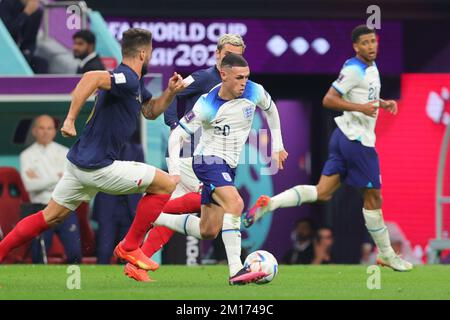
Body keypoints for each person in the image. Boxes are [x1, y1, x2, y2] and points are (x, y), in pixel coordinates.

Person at [0, 28, 186, 273]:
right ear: (143, 53)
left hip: (78, 165)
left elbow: (150, 111)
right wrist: (69, 120)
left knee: (50, 216)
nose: (151, 55)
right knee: (165, 184)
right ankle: (130, 246)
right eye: (150, 51)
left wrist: (171, 93)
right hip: (98, 166)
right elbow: (91, 77)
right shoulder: (126, 77)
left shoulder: (135, 83)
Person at [243, 25, 413, 272]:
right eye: (364, 43)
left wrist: (381, 103)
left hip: (343, 136)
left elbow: (363, 97)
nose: (370, 46)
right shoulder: (353, 68)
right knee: (374, 197)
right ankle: (386, 254)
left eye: (372, 42)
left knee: (323, 192)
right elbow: (328, 99)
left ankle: (272, 204)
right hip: (356, 141)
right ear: (356, 46)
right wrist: (362, 109)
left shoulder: (371, 66)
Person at [150, 53, 288, 285]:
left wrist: (278, 145)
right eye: (238, 78)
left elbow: (271, 108)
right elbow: (177, 137)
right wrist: (174, 171)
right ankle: (236, 269)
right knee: (235, 204)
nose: (244, 82)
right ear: (223, 75)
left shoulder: (254, 91)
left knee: (208, 230)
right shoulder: (207, 104)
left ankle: (157, 216)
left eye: (246, 77)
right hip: (208, 161)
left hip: (229, 165)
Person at [126, 34, 246, 275]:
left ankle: (137, 262)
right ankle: (154, 214)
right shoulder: (204, 78)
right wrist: (173, 123)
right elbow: (173, 93)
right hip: (193, 154)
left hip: (213, 156)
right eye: (227, 55)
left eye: (237, 56)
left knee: (202, 217)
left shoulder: (238, 82)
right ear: (217, 55)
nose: (232, 60)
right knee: (214, 204)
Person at [20, 115, 81, 264]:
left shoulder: (65, 152)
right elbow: (29, 186)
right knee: (38, 254)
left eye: (49, 128)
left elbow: (70, 181)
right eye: (41, 128)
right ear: (34, 131)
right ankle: (40, 286)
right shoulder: (26, 155)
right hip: (40, 208)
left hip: (64, 207)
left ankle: (74, 285)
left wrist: (41, 179)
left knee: (75, 252)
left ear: (55, 131)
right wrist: (58, 177)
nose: (45, 132)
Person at [0, 0, 47, 73]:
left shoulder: (36, 12)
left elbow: (31, 41)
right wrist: (25, 14)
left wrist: (28, 52)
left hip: (20, 54)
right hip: (5, 52)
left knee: (42, 64)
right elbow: (7, 33)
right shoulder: (6, 5)